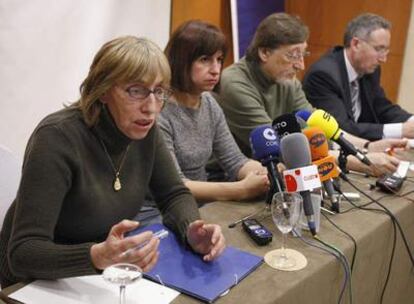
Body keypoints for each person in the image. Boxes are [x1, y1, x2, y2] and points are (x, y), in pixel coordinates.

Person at [0, 36, 225, 288]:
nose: (151, 107)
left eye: (159, 91)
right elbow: (23, 252)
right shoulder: (56, 137)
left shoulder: (145, 131)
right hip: (36, 281)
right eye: (136, 91)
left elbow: (173, 193)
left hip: (102, 272)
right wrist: (96, 256)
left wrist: (191, 228)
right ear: (104, 90)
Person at [218, 12, 405, 176]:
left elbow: (316, 127)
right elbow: (279, 147)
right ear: (265, 52)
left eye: (302, 54)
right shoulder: (234, 84)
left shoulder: (286, 80)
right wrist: (360, 162)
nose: (301, 65)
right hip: (231, 178)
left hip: (276, 172)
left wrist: (365, 147)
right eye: (293, 55)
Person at [158, 20, 268, 202]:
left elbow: (234, 160)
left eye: (219, 60)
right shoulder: (159, 110)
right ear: (181, 60)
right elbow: (176, 184)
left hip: (203, 205)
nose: (216, 70)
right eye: (205, 60)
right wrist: (240, 189)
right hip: (164, 209)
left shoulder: (209, 102)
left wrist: (263, 172)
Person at [303, 13, 414, 141]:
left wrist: (411, 121)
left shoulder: (369, 69)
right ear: (355, 44)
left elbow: (381, 107)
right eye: (379, 49)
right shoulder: (323, 76)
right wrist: (401, 130)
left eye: (386, 50)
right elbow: (341, 128)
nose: (383, 59)